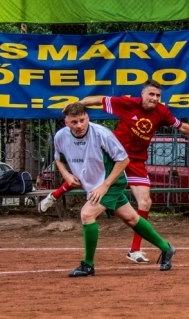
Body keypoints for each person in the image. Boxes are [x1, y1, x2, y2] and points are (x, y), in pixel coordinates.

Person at [39, 80, 189, 264]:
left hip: (134, 160)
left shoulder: (162, 112)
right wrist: (78, 105)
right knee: (88, 183)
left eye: (158, 96)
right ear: (142, 94)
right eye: (151, 94)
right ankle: (54, 196)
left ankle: (134, 250)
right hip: (115, 156)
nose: (154, 98)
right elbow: (98, 99)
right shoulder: (128, 104)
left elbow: (183, 127)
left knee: (144, 202)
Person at [52, 101, 176, 276]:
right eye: (74, 122)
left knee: (87, 214)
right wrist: (66, 175)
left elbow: (123, 160)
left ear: (87, 117)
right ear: (66, 122)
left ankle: (87, 265)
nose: (79, 125)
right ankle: (167, 248)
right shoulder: (61, 136)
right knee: (132, 219)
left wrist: (105, 185)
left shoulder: (102, 134)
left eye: (82, 120)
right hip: (94, 186)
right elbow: (58, 158)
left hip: (111, 182)